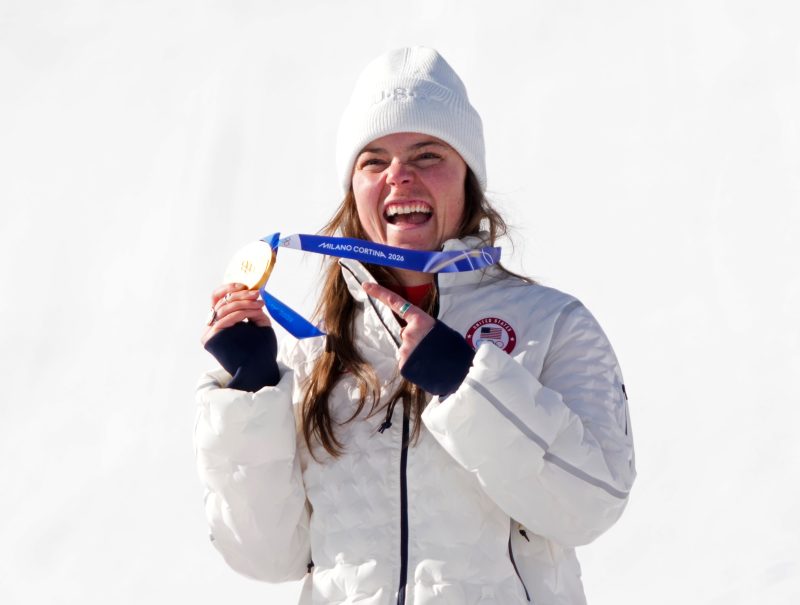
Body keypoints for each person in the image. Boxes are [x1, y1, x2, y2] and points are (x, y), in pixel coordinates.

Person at [195, 47, 635, 605]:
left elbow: (591, 505)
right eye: (373, 161)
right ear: (354, 191)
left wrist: (466, 384)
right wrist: (252, 389)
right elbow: (266, 556)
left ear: (469, 180)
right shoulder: (315, 354)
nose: (399, 175)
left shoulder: (552, 325)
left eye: (427, 155)